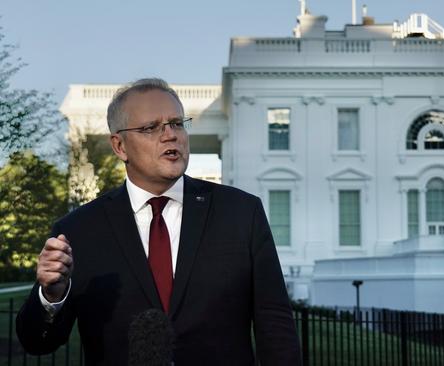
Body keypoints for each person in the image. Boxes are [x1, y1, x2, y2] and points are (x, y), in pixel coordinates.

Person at [15, 78, 302, 365]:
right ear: (119, 146)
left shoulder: (241, 212)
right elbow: (37, 342)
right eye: (151, 128)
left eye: (177, 123)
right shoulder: (78, 230)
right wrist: (52, 295)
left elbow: (275, 326)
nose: (170, 135)